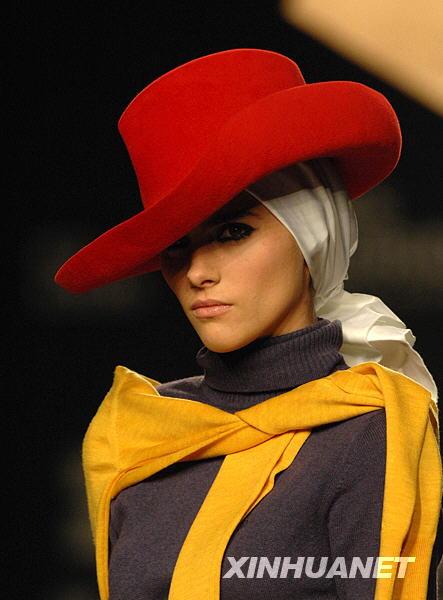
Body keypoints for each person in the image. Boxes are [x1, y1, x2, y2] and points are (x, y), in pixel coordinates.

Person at [54, 49, 442, 600]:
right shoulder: (142, 433)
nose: (197, 272)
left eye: (233, 232)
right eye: (176, 247)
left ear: (312, 236)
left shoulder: (370, 434)